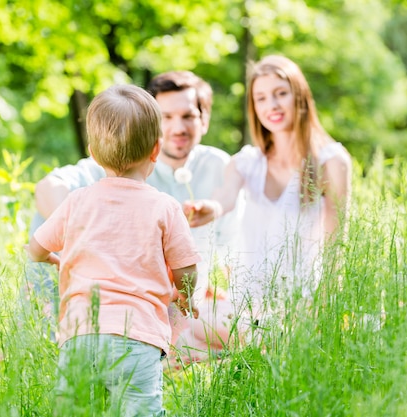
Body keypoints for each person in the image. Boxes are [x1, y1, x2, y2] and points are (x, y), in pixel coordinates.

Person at [30, 71, 242, 363]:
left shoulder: (218, 165)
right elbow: (47, 186)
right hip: (109, 301)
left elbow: (228, 261)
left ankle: (164, 352)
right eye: (166, 117)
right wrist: (78, 228)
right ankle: (47, 331)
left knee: (241, 327)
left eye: (188, 116)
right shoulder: (117, 159)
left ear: (204, 119)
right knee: (51, 215)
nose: (177, 128)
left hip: (170, 305)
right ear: (151, 129)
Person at [26, 84, 201, 416]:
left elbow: (36, 247)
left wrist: (51, 257)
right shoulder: (165, 207)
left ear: (92, 153)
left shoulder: (76, 200)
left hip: (79, 335)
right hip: (137, 337)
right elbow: (186, 268)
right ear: (156, 149)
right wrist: (187, 295)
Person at [185, 55, 352, 331]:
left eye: (280, 94)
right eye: (260, 98)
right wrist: (208, 209)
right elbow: (224, 199)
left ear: (300, 96)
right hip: (246, 306)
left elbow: (337, 244)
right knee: (177, 330)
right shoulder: (246, 162)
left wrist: (326, 307)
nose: (271, 105)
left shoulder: (331, 161)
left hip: (303, 305)